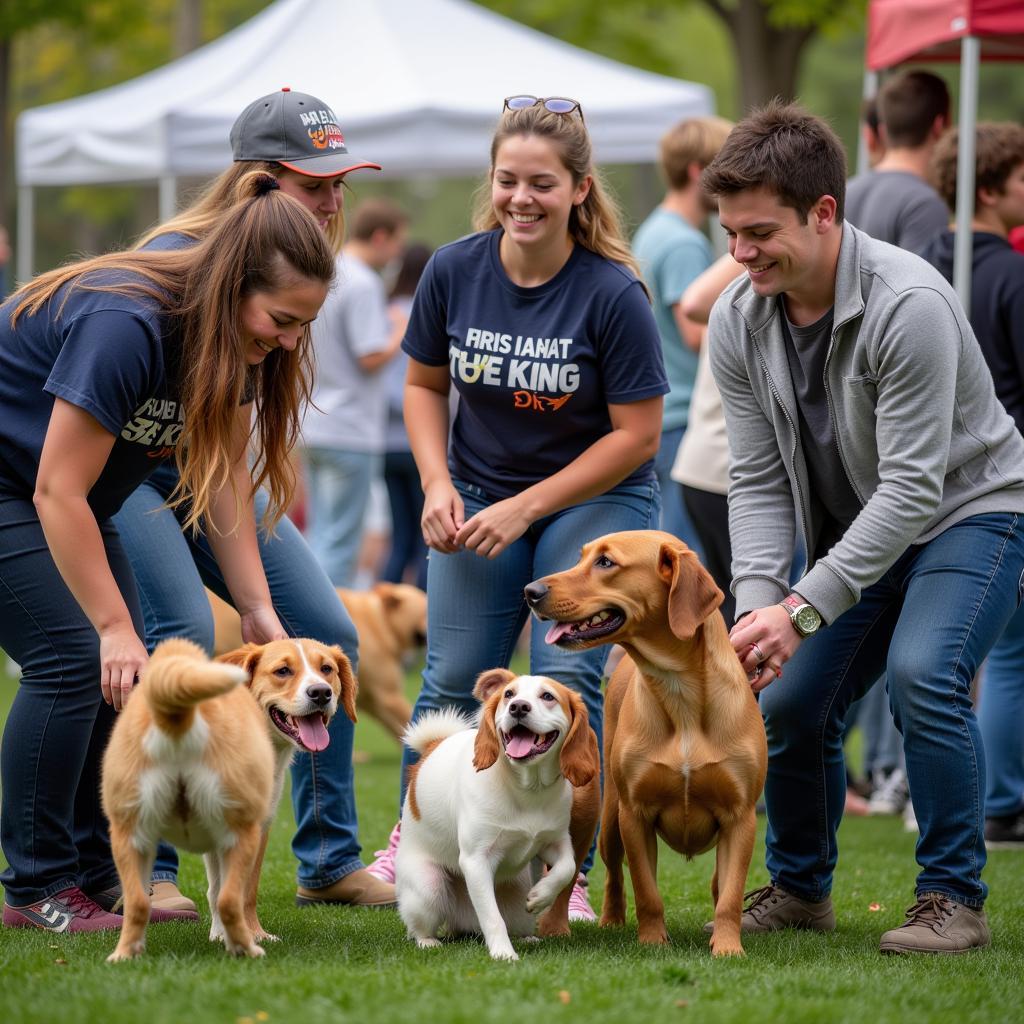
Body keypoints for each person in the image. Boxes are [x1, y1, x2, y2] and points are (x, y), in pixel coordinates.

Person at [702, 102, 1024, 954]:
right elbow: (760, 479)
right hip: (864, 532)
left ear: (824, 212)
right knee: (795, 704)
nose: (741, 254)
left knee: (926, 672)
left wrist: (802, 609)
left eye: (760, 232)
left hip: (972, 513)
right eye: (730, 234)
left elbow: (917, 487)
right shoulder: (738, 320)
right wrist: (761, 610)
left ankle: (953, 897)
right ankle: (802, 889)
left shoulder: (909, 303)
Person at [0, 174, 334, 932]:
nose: (286, 342)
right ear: (235, 284)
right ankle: (35, 888)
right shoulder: (128, 321)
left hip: (62, 494)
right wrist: (115, 625)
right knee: (72, 652)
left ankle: (96, 877)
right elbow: (57, 488)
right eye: (281, 319)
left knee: (111, 672)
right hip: (22, 489)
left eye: (300, 328)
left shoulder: (232, 342)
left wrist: (256, 607)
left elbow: (220, 481)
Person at [366, 94, 667, 921]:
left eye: (542, 183)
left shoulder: (613, 293)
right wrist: (435, 482)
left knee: (564, 679)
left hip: (592, 499)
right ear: (490, 183)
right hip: (478, 496)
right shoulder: (454, 270)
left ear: (578, 188)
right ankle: (419, 839)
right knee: (454, 682)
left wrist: (527, 508)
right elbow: (423, 384)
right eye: (508, 181)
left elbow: (638, 434)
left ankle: (560, 876)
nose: (522, 199)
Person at [115, 88, 395, 913]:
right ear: (260, 185)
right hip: (123, 475)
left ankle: (328, 861)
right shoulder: (177, 262)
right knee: (185, 640)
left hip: (204, 474)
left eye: (342, 184)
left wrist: (262, 604)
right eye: (318, 184)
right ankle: (157, 871)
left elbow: (230, 455)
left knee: (329, 632)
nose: (333, 201)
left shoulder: (291, 273)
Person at [922, 121, 1024, 849]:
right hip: (997, 483)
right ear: (989, 189)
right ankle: (1004, 799)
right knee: (1011, 654)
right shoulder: (1011, 274)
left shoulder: (922, 262)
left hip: (938, 487)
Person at [633, 116, 733, 553]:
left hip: (664, 413)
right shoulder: (684, 244)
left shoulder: (654, 229)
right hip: (682, 416)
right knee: (685, 559)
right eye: (724, 168)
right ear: (697, 171)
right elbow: (695, 334)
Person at [302, 198, 409, 588]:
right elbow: (370, 355)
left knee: (319, 535)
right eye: (397, 242)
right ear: (380, 237)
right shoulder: (363, 282)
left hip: (312, 423)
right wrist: (398, 329)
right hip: (350, 429)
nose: (398, 252)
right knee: (341, 543)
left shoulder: (325, 272)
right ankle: (319, 632)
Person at [845, 70, 951, 255]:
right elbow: (923, 283)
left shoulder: (845, 191)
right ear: (939, 126)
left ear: (883, 130)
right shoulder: (924, 204)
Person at [381, 242, 434, 591]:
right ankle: (420, 621)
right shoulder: (423, 312)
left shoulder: (385, 311)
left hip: (385, 444)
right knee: (424, 539)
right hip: (418, 444)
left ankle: (386, 615)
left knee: (399, 537)